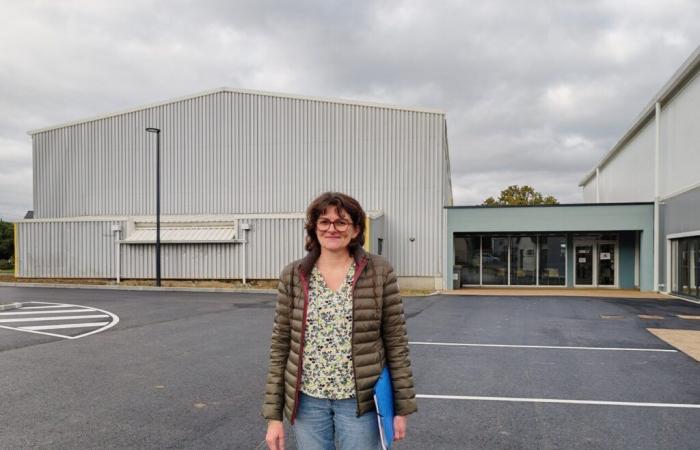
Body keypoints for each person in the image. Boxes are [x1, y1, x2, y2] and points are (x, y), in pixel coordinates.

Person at [262, 192, 417, 450]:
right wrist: (273, 417)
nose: (332, 228)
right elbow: (280, 347)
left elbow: (396, 342)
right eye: (324, 222)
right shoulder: (294, 275)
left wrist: (401, 409)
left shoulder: (379, 271)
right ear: (314, 228)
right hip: (308, 402)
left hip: (361, 403)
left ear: (356, 229)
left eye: (341, 222)